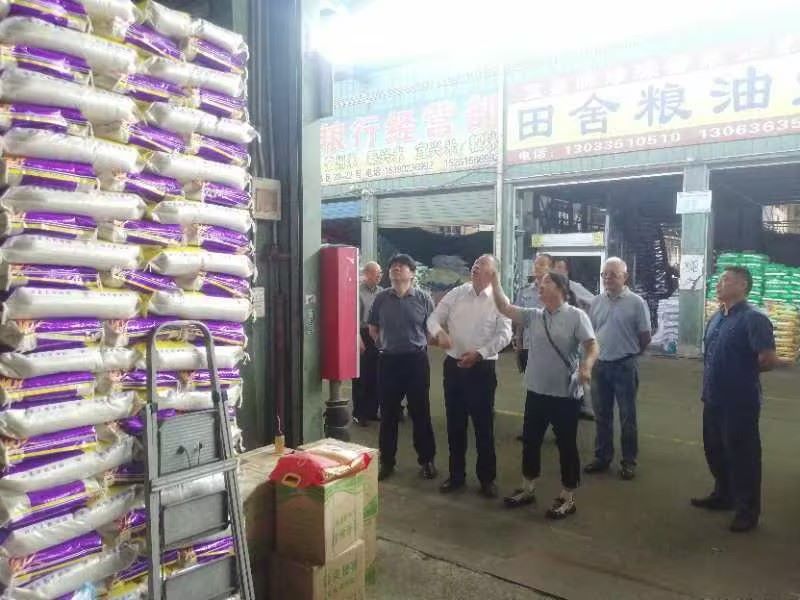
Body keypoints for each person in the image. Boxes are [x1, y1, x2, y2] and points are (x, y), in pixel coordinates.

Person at [490, 269, 598, 519]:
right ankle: (527, 487)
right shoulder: (534, 316)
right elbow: (504, 307)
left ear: (560, 288)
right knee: (531, 442)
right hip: (536, 392)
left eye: (546, 281)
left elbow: (592, 345)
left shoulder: (576, 316)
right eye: (540, 282)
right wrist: (495, 280)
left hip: (565, 395)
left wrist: (586, 366)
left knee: (566, 446)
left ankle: (568, 496)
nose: (540, 284)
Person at [692, 266, 787, 532]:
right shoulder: (717, 317)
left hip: (739, 402)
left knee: (743, 457)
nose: (719, 284)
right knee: (715, 451)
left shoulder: (754, 318)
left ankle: (747, 511)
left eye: (725, 280)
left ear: (743, 285)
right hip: (713, 398)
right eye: (719, 279)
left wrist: (739, 373)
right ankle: (724, 495)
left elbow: (768, 359)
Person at [427, 255, 512, 498]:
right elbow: (433, 318)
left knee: (483, 426)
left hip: (481, 370)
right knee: (455, 425)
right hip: (454, 367)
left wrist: (480, 353)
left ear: (492, 274)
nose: (476, 267)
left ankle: (487, 479)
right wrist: (439, 333)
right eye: (475, 263)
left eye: (482, 265)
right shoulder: (457, 293)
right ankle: (456, 476)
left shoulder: (500, 300)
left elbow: (505, 335)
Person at [368, 254, 437, 482]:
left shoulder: (423, 298)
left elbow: (431, 329)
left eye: (402, 266)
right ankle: (387, 462)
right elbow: (373, 327)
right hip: (388, 362)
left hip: (416, 362)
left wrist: (421, 343)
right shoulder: (381, 299)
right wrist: (382, 344)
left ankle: (427, 460)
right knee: (388, 413)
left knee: (420, 412)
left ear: (412, 273)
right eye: (393, 266)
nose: (396, 269)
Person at [584, 258, 651, 481]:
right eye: (604, 274)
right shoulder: (596, 302)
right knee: (601, 415)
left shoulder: (636, 303)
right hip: (600, 366)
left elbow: (645, 336)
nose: (607, 278)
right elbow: (590, 333)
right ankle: (602, 457)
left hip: (624, 366)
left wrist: (631, 355)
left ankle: (628, 461)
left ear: (625, 277)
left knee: (627, 417)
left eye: (613, 274)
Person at [553, 258, 596, 421]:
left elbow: (593, 301)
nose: (557, 271)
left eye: (560, 268)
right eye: (555, 267)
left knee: (579, 371)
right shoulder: (551, 287)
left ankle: (588, 408)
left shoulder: (574, 286)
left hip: (575, 338)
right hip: (559, 339)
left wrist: (584, 316)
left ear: (567, 271)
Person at [352, 261, 383, 426]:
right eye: (376, 273)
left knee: (376, 375)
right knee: (361, 376)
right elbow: (353, 319)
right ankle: (359, 413)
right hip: (362, 335)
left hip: (378, 335)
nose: (379, 276)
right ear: (367, 274)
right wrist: (358, 339)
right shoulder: (357, 293)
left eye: (380, 273)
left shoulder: (382, 293)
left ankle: (372, 411)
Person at [514, 254, 553, 373]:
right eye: (535, 264)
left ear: (550, 269)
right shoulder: (524, 292)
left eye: (541, 264)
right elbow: (519, 320)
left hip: (550, 347)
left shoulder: (557, 291)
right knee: (529, 381)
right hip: (529, 346)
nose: (537, 267)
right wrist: (518, 343)